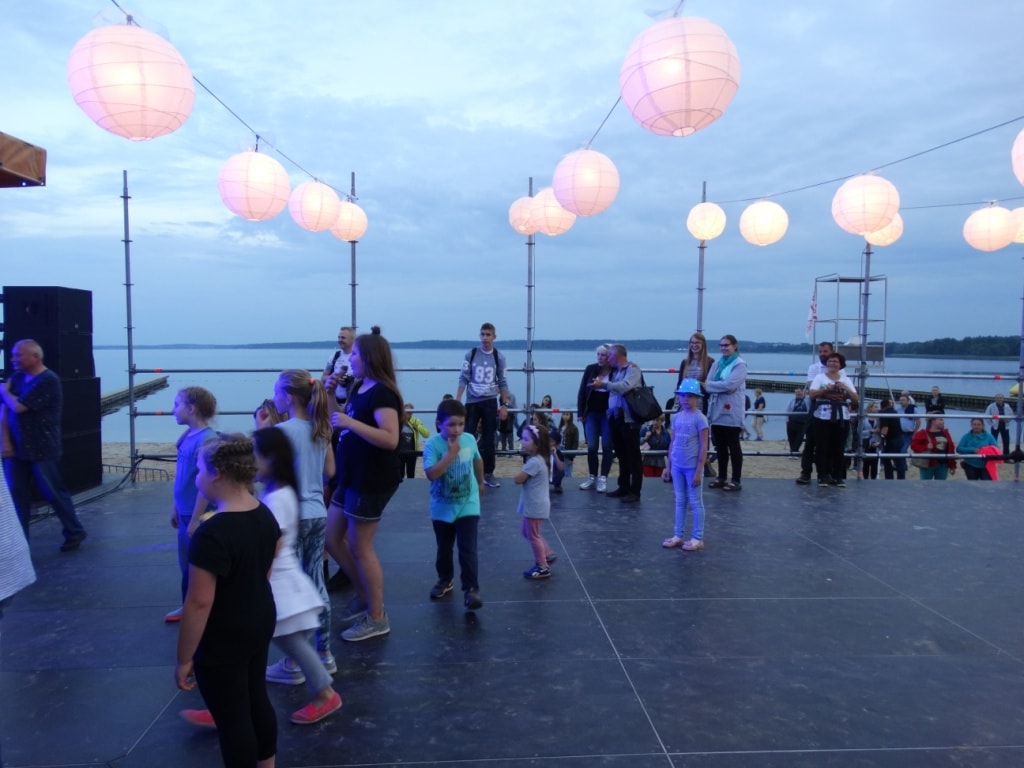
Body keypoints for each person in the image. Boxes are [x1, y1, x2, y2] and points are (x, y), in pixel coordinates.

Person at [185, 429, 342, 729]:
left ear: (271, 460)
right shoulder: (281, 493)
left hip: (279, 587)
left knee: (277, 644)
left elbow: (272, 542)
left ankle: (325, 693)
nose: (251, 463)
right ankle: (232, 702)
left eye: (255, 456)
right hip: (284, 584)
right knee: (284, 645)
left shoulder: (276, 499)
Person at [174, 434, 280, 768]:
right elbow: (265, 571)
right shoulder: (264, 514)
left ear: (217, 473)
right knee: (256, 698)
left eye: (200, 470)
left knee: (232, 718)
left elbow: (199, 603)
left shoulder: (213, 533)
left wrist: (184, 657)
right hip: (259, 619)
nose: (196, 478)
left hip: (224, 636)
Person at [328, 327, 403, 642]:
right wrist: (330, 394)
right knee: (332, 538)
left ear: (370, 358)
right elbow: (339, 421)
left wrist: (350, 422)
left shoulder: (383, 393)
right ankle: (365, 595)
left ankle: (377, 616)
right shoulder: (360, 386)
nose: (351, 359)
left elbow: (390, 438)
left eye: (356, 354)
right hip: (350, 474)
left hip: (371, 478)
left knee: (361, 546)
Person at [268, 370, 336, 681]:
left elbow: (269, 473)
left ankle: (295, 661)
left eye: (277, 393)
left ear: (289, 397)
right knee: (317, 581)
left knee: (291, 587)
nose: (274, 399)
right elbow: (330, 471)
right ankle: (324, 653)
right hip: (318, 512)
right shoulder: (321, 429)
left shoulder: (280, 432)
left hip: (291, 515)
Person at [0, 339, 87, 551]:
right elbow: (5, 410)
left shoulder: (48, 380)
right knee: (16, 496)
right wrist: (5, 441)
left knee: (53, 493)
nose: (14, 359)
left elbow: (19, 407)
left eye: (19, 355)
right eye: (13, 355)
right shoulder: (17, 378)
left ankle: (74, 531)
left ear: (35, 357)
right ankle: (20, 542)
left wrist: (4, 390)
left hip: (42, 447)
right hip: (16, 448)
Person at [423, 399, 484, 609]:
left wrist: (480, 481)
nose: (456, 430)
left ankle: (471, 589)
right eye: (451, 424)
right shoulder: (432, 444)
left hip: (468, 503)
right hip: (442, 506)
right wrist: (450, 454)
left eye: (461, 424)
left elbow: (477, 460)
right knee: (444, 548)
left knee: (468, 549)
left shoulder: (469, 439)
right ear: (439, 423)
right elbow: (431, 474)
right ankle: (445, 579)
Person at [165, 387, 217, 623]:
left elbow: (206, 483)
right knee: (186, 563)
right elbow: (181, 476)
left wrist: (196, 518)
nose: (173, 410)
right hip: (185, 511)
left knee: (199, 565)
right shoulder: (188, 437)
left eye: (177, 405)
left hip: (198, 514)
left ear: (191, 408)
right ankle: (189, 603)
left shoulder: (206, 440)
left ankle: (201, 607)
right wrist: (175, 506)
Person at [456, 322, 511, 489]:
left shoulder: (499, 357)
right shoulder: (471, 354)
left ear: (494, 337)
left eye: (488, 335)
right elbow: (463, 377)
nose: (485, 338)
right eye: (482, 334)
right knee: (467, 437)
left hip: (490, 401)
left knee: (489, 439)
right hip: (472, 402)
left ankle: (488, 473)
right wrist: (458, 399)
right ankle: (464, 472)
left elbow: (503, 382)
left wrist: (505, 405)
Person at [592, 344, 644, 502]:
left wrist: (604, 385)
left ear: (618, 356)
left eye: (610, 356)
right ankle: (623, 486)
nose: (608, 358)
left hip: (629, 418)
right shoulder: (616, 371)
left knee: (633, 454)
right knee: (621, 454)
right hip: (616, 416)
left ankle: (635, 491)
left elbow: (625, 387)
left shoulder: (633, 370)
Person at [661, 379, 709, 552]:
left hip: (691, 467)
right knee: (680, 500)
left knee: (695, 501)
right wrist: (668, 466)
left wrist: (699, 470)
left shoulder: (700, 419)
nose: (686, 399)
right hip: (677, 465)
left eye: (690, 396)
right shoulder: (676, 417)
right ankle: (678, 535)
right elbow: (673, 442)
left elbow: (704, 445)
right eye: (683, 396)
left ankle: (697, 537)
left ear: (697, 398)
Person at [704, 335, 747, 492]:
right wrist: (718, 386)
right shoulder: (717, 363)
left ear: (735, 346)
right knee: (720, 446)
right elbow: (708, 384)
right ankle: (721, 477)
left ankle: (736, 479)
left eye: (726, 345)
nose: (723, 348)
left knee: (733, 445)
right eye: (721, 345)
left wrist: (715, 386)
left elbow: (730, 385)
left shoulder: (740, 364)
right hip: (716, 410)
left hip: (732, 411)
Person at [809, 351, 858, 487]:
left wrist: (845, 388)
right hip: (822, 416)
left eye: (835, 361)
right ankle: (822, 475)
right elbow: (812, 394)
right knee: (822, 447)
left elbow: (855, 399)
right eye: (830, 361)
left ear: (841, 365)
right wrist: (826, 391)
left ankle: (838, 476)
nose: (832, 364)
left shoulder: (846, 380)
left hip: (841, 417)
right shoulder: (819, 377)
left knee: (838, 447)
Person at [515, 423, 556, 579]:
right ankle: (548, 554)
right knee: (527, 531)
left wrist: (518, 475)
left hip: (535, 506)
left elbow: (519, 479)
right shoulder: (539, 460)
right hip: (536, 504)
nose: (523, 442)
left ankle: (542, 566)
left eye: (526, 439)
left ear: (537, 444)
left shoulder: (534, 462)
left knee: (533, 535)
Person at [576, 344, 615, 492]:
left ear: (609, 357)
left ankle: (603, 478)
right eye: (598, 354)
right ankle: (592, 477)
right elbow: (582, 391)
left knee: (607, 446)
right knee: (592, 446)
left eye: (603, 355)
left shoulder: (615, 371)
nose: (600, 358)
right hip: (591, 413)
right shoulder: (590, 369)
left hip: (607, 414)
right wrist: (581, 412)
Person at [796, 341, 834, 484]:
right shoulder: (814, 368)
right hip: (815, 407)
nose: (822, 354)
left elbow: (841, 390)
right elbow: (812, 389)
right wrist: (829, 390)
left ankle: (824, 473)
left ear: (831, 352)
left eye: (825, 351)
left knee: (826, 443)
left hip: (832, 409)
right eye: (820, 351)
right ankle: (806, 473)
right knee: (810, 442)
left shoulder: (838, 368)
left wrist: (823, 390)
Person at [910, 415, 957, 480]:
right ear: (933, 421)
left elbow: (951, 449)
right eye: (940, 419)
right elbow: (913, 446)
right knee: (925, 484)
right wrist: (926, 447)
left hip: (943, 464)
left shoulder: (946, 433)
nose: (943, 422)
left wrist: (952, 465)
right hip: (928, 464)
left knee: (941, 484)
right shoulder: (923, 433)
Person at [322, 326, 355, 406]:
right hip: (335, 402)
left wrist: (350, 380)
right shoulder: (334, 356)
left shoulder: (358, 357)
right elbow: (323, 377)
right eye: (339, 337)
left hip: (352, 402)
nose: (340, 340)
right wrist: (335, 379)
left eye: (343, 338)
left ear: (352, 340)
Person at [398, 404, 430, 480]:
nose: (408, 414)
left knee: (411, 475)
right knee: (399, 475)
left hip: (412, 453)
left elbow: (426, 434)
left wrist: (418, 427)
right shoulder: (398, 421)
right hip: (400, 453)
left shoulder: (415, 421)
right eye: (406, 412)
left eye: (410, 412)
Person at [878, 397, 906, 480]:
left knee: (889, 458)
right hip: (899, 437)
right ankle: (900, 477)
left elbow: (885, 429)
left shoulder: (884, 414)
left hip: (892, 439)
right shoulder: (894, 412)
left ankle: (890, 477)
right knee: (896, 458)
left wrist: (881, 440)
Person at [860, 402, 882, 480]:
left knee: (875, 463)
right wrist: (870, 431)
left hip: (876, 442)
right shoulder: (864, 419)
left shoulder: (879, 419)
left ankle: (873, 479)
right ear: (870, 408)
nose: (877, 409)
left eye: (877, 407)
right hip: (866, 442)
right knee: (866, 462)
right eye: (875, 407)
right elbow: (859, 431)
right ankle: (865, 478)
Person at [785, 387, 810, 455]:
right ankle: (793, 451)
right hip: (792, 422)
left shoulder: (807, 399)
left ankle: (795, 451)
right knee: (791, 438)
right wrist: (787, 421)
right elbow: (787, 410)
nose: (797, 393)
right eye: (796, 392)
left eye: (799, 392)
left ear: (802, 392)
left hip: (802, 423)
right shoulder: (792, 401)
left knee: (799, 438)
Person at [558, 412, 579, 478]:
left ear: (571, 416)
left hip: (567, 452)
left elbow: (575, 443)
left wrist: (571, 457)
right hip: (559, 450)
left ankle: (568, 483)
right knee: (559, 470)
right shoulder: (560, 427)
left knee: (567, 472)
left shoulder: (574, 428)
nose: (565, 416)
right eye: (563, 414)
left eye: (567, 414)